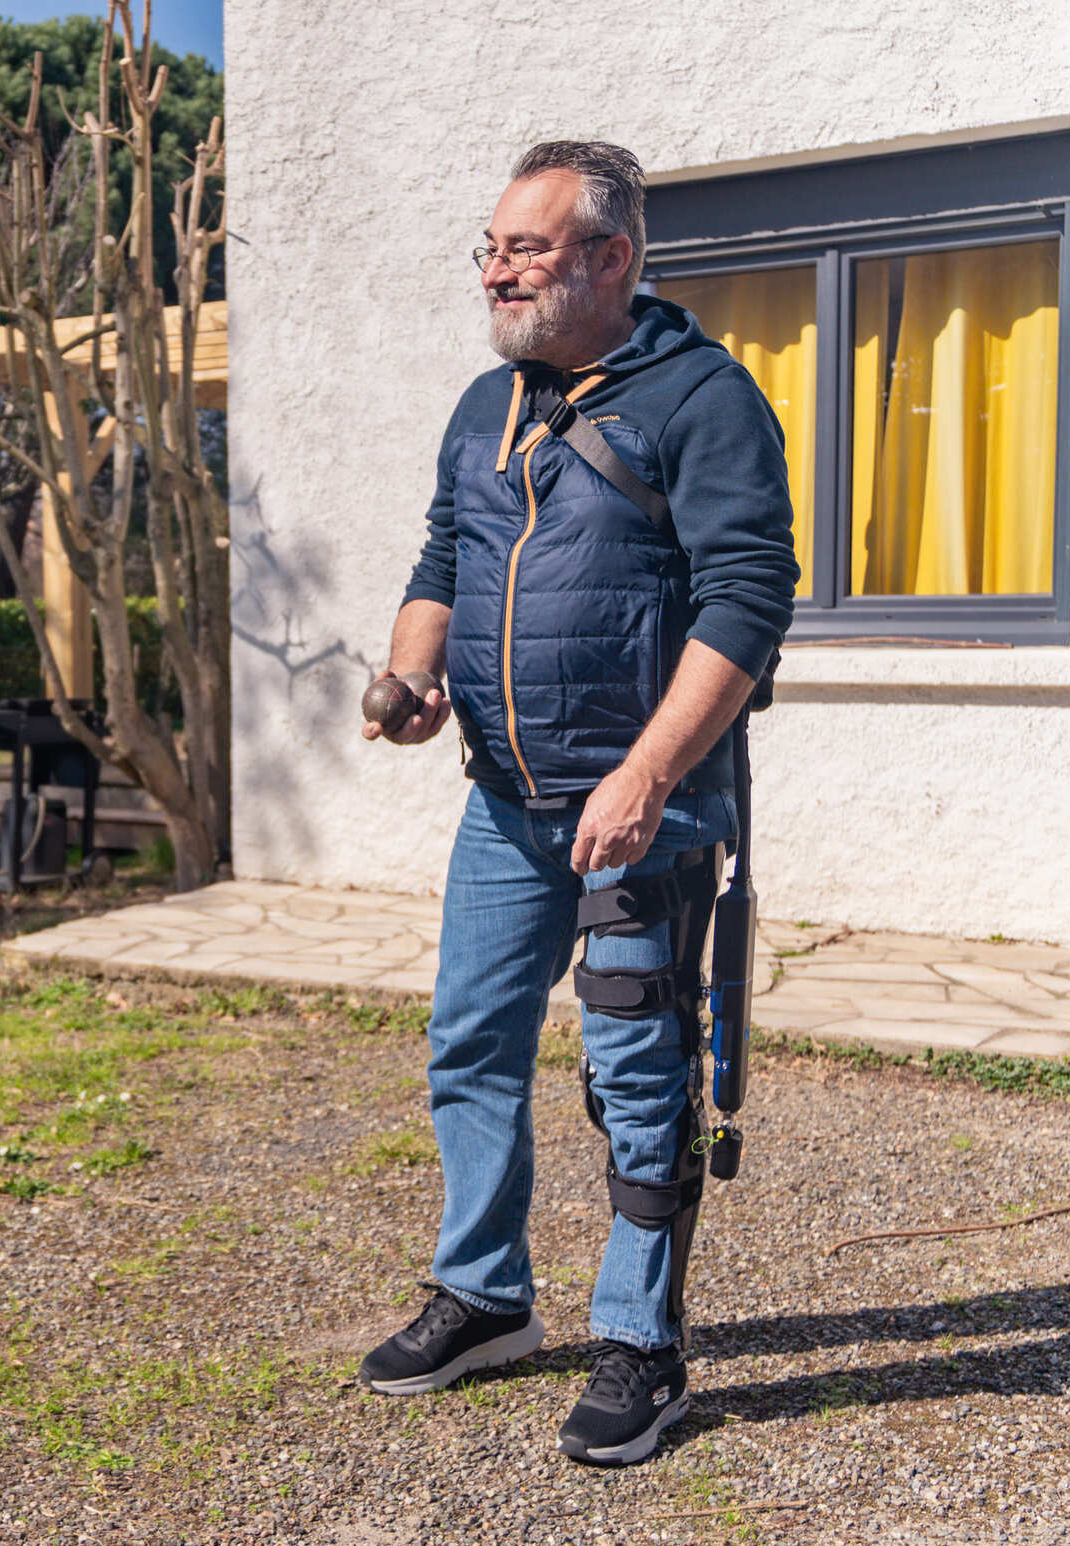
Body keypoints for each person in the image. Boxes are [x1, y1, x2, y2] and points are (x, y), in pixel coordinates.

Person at [357, 140, 798, 1466]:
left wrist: (649, 772)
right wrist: (412, 680)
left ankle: (639, 1346)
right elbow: (443, 554)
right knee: (470, 1048)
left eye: (524, 249)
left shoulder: (703, 399)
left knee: (638, 1084)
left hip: (643, 812)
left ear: (610, 258)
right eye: (486, 247)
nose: (494, 270)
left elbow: (748, 599)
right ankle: (484, 1294)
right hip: (503, 803)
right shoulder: (480, 406)